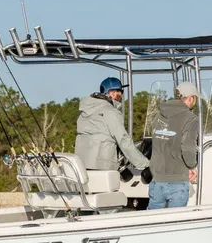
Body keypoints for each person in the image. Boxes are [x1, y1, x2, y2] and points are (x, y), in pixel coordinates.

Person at [74, 77, 150, 172]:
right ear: (112, 92)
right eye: (120, 91)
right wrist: (145, 163)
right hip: (102, 168)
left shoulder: (84, 112)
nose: (122, 95)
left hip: (81, 166)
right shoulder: (111, 112)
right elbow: (123, 141)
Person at [147, 81, 202, 210]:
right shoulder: (191, 119)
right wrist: (192, 166)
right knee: (176, 224)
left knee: (153, 223)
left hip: (156, 181)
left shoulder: (158, 115)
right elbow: (188, 147)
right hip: (177, 181)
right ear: (190, 98)